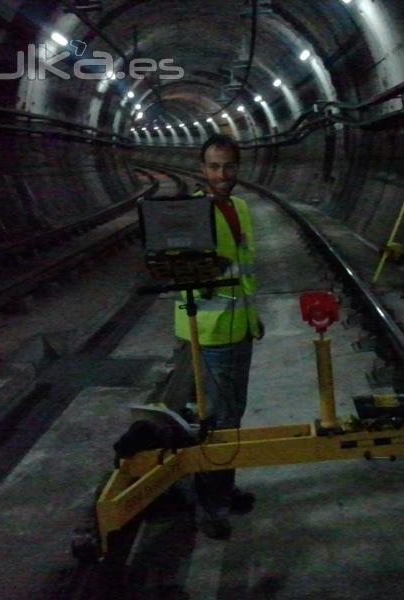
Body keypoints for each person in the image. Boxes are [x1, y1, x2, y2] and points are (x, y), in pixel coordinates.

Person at [173, 134, 263, 539]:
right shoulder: (191, 212)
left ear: (237, 167)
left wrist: (253, 317)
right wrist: (205, 266)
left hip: (239, 327)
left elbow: (244, 270)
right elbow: (175, 269)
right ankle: (210, 507)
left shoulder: (240, 207)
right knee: (215, 421)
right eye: (213, 166)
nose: (221, 174)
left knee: (232, 415)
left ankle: (223, 490)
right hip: (208, 331)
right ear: (202, 168)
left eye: (228, 166)